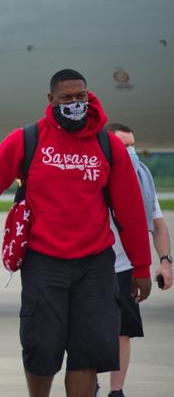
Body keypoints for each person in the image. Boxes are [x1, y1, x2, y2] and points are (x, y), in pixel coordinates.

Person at [0, 70, 152, 397]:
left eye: (81, 97)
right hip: (43, 262)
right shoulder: (28, 138)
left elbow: (131, 211)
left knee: (87, 353)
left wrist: (142, 266)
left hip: (95, 265)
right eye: (67, 98)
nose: (75, 104)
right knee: (42, 349)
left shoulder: (108, 146)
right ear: (51, 100)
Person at [103, 123, 172, 397]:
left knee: (123, 331)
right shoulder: (95, 175)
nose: (131, 151)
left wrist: (165, 261)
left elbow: (158, 223)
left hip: (127, 266)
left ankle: (116, 392)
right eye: (124, 145)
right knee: (90, 331)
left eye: (133, 145)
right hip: (93, 263)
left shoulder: (142, 176)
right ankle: (89, 384)